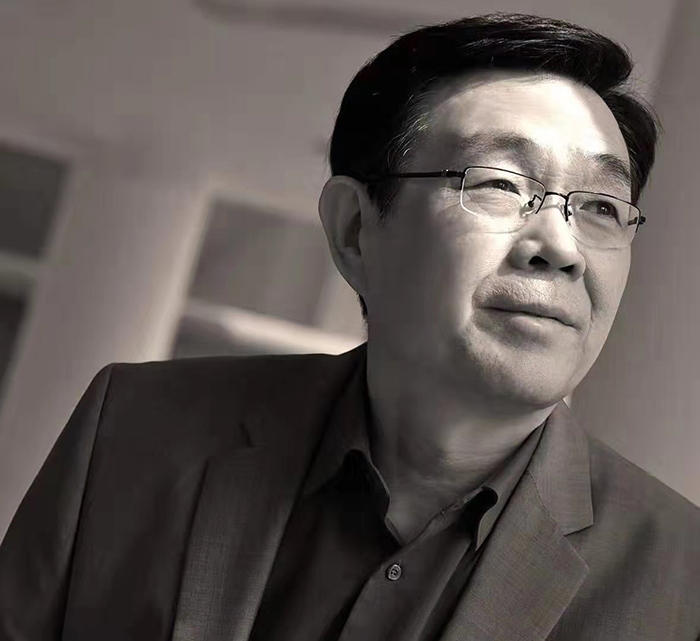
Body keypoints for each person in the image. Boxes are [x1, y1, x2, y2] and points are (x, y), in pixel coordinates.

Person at [1, 12, 699, 641]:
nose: (562, 247)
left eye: (602, 207)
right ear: (355, 230)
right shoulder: (134, 431)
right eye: (500, 183)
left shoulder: (682, 581)